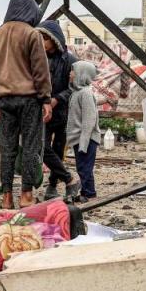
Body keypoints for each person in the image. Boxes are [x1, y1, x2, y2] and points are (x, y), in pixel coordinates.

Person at [0, 0, 52, 210]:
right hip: (30, 100)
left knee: (7, 148)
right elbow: (41, 71)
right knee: (31, 147)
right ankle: (26, 195)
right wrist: (46, 99)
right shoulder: (32, 35)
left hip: (5, 101)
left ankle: (6, 197)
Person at [37, 20, 82, 201]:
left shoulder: (71, 61)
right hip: (45, 112)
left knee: (58, 149)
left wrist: (57, 99)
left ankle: (52, 185)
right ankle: (69, 178)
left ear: (53, 40)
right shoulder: (40, 58)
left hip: (64, 112)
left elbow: (75, 87)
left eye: (44, 39)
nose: (41, 42)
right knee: (42, 147)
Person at [66, 61, 101, 203]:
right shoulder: (76, 93)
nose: (70, 74)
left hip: (86, 139)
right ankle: (86, 191)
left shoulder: (85, 94)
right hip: (79, 138)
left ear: (81, 75)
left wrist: (84, 141)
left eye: (73, 71)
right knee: (82, 166)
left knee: (85, 167)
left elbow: (89, 119)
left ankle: (89, 193)